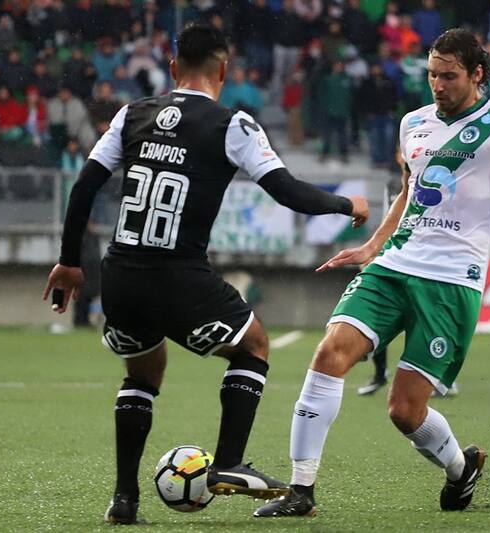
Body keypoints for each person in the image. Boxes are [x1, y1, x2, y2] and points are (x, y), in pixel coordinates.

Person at [42, 23, 369, 525]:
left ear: (173, 67)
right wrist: (348, 204)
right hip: (179, 275)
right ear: (224, 69)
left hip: (121, 272)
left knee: (142, 373)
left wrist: (69, 261)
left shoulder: (132, 114)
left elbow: (84, 186)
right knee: (253, 344)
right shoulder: (232, 125)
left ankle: (124, 499)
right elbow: (286, 191)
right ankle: (229, 461)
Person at [254, 28, 490, 518]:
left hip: (451, 281)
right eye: (432, 75)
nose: (438, 85)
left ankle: (461, 469)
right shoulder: (413, 122)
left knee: (404, 411)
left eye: (449, 76)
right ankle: (301, 491)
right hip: (395, 265)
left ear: (477, 74)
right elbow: (410, 191)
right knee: (329, 353)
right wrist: (373, 246)